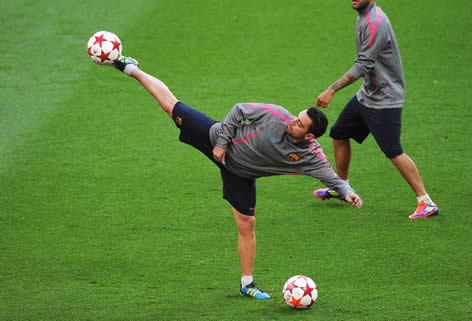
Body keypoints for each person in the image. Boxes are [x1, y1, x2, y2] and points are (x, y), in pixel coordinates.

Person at [108, 55, 363, 299]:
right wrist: (221, 143)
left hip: (240, 174)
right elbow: (238, 109)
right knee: (170, 105)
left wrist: (346, 191)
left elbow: (331, 177)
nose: (292, 121)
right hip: (216, 140)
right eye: (297, 117)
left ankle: (247, 284)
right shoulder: (276, 114)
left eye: (299, 124)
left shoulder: (310, 157)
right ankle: (132, 69)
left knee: (247, 224)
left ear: (309, 137)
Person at [313, 0, 438, 219]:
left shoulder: (375, 23)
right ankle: (341, 187)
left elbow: (363, 65)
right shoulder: (363, 18)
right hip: (367, 94)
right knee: (339, 134)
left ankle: (426, 201)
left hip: (385, 100)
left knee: (393, 150)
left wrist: (332, 88)